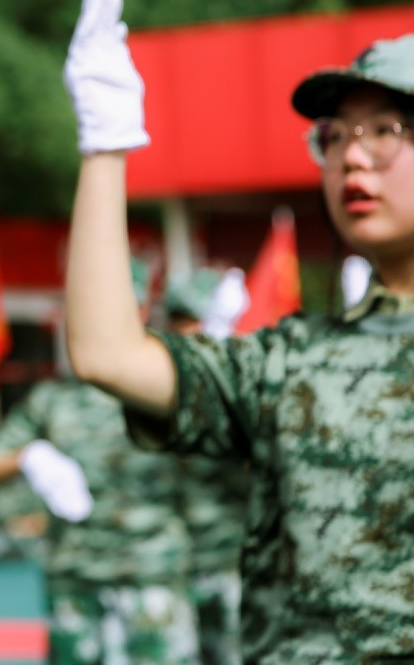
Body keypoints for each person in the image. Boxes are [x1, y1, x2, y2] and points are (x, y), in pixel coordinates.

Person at [61, 0, 414, 662]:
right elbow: (108, 355)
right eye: (335, 136)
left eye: (386, 131)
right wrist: (106, 147)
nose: (352, 156)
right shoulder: (294, 357)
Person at [0, 259, 198, 665]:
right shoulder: (53, 398)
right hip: (77, 580)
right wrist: (28, 458)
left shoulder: (169, 385)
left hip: (153, 577)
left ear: (142, 310)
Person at [163, 269, 251, 665]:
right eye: (178, 320)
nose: (187, 332)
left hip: (232, 562)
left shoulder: (244, 378)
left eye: (196, 320)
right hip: (166, 567)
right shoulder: (156, 382)